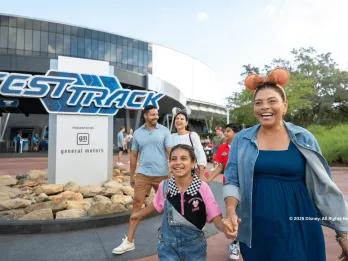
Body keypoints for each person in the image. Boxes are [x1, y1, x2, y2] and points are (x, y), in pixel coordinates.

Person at [223, 68, 348, 260]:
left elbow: (325, 187)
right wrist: (231, 211)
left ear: (285, 106)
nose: (264, 107)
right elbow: (232, 179)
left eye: (272, 101)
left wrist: (343, 234)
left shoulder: (304, 137)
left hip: (300, 223)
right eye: (258, 103)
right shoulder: (242, 140)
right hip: (257, 228)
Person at [128, 144, 235, 260]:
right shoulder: (165, 186)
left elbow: (215, 217)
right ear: (169, 163)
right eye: (173, 159)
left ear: (193, 163)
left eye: (183, 158)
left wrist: (225, 228)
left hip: (195, 247)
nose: (178, 162)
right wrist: (138, 215)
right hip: (167, 247)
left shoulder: (202, 187)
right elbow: (156, 204)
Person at [112, 105, 172, 255]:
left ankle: (171, 237)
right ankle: (130, 241)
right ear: (145, 116)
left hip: (162, 175)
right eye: (152, 114)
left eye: (157, 114)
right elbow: (133, 156)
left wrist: (173, 172)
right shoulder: (138, 133)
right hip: (143, 175)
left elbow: (171, 152)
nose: (156, 117)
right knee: (136, 205)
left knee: (169, 205)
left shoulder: (165, 131)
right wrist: (132, 175)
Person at [207, 123, 241, 260]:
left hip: (247, 185)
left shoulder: (246, 146)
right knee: (233, 213)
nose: (225, 134)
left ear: (237, 133)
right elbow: (220, 167)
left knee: (247, 214)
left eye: (228, 131)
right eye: (225, 131)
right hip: (230, 186)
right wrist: (207, 180)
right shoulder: (223, 148)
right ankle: (235, 243)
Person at [171, 110, 207, 180]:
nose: (179, 120)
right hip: (176, 171)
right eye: (177, 118)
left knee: (191, 190)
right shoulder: (172, 136)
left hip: (191, 171)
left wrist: (201, 173)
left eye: (182, 119)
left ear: (186, 123)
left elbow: (200, 153)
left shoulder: (192, 135)